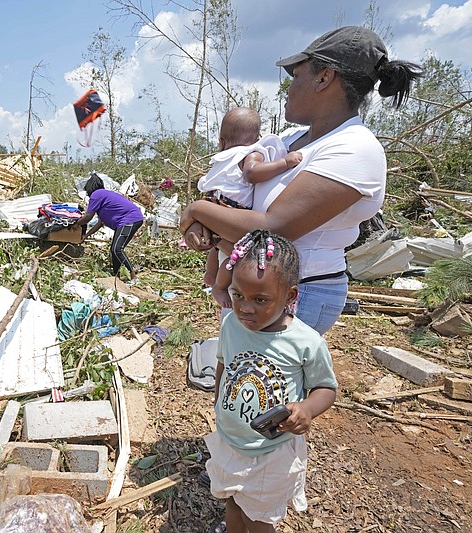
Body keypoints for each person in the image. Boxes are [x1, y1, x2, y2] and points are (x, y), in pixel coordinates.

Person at [181, 26, 423, 334]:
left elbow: (275, 227)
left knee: (270, 380)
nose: (288, 88)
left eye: (296, 76)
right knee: (239, 373)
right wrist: (206, 226)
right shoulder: (290, 139)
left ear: (324, 77)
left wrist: (196, 211)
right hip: (252, 286)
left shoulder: (354, 148)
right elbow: (236, 194)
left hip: (297, 291)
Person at [206, 229, 337, 533]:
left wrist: (307, 408)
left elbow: (326, 388)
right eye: (237, 295)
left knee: (259, 518)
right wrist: (219, 405)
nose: (245, 308)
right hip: (230, 439)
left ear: (290, 296)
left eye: (260, 299)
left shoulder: (305, 342)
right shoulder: (230, 324)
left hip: (271, 450)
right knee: (233, 501)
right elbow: (223, 366)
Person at [197, 107, 302, 308]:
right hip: (229, 209)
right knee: (239, 254)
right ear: (256, 139)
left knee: (217, 243)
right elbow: (252, 174)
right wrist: (284, 163)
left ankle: (210, 274)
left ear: (221, 141)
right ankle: (219, 285)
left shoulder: (223, 157)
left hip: (211, 206)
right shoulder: (250, 153)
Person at [74, 173, 144, 284]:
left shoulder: (96, 195)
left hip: (129, 220)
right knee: (115, 249)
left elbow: (88, 217)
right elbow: (99, 223)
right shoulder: (103, 196)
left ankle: (133, 277)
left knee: (117, 249)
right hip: (129, 220)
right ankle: (116, 276)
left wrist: (76, 224)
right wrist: (86, 236)